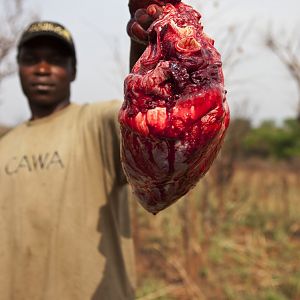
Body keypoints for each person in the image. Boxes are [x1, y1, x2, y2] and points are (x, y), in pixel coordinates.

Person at [0, 2, 166, 299]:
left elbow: (144, 116)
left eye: (54, 60)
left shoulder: (97, 123)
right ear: (19, 69)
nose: (41, 68)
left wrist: (144, 36)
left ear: (72, 71)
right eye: (31, 59)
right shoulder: (4, 146)